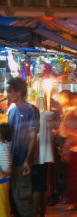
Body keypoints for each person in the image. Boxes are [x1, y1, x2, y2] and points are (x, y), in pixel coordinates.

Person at [7, 77, 40, 217]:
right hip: (11, 161)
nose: (7, 94)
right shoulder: (12, 111)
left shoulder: (31, 110)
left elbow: (33, 136)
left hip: (22, 162)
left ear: (19, 92)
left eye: (10, 91)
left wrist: (28, 160)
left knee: (23, 198)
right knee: (14, 198)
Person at [0, 123, 12, 217]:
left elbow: (7, 167)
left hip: (2, 180)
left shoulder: (3, 147)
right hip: (4, 180)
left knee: (2, 204)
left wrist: (3, 173)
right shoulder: (6, 145)